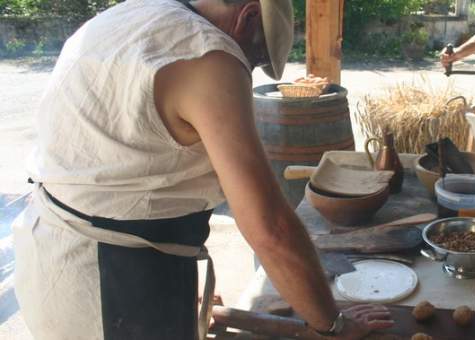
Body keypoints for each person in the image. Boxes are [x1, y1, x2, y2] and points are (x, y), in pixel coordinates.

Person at [12, 0, 393, 339]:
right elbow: (270, 228)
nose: (249, 70)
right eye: (256, 59)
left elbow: (121, 164)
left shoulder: (132, 13)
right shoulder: (210, 54)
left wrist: (173, 264)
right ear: (246, 18)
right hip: (111, 284)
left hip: (51, 253)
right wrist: (333, 325)